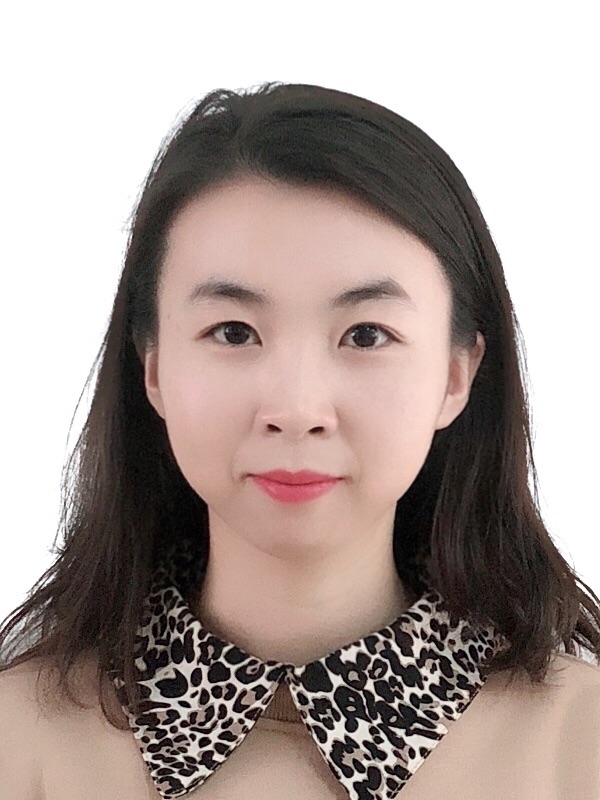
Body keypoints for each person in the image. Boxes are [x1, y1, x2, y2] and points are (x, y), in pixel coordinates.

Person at [0, 81, 599, 800]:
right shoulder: (20, 740)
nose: (295, 409)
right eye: (233, 332)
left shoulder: (580, 743)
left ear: (455, 375)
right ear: (153, 369)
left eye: (366, 335)